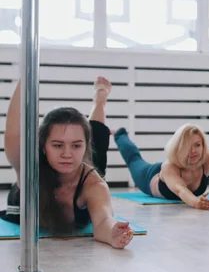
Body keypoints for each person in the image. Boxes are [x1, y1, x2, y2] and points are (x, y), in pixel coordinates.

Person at [0, 76, 134, 249]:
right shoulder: (29, 170)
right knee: (95, 141)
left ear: (85, 146)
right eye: (57, 145)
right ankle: (99, 98)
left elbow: (103, 221)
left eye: (76, 146)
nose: (67, 154)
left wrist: (112, 233)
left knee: (98, 138)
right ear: (43, 146)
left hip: (83, 172)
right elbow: (14, 134)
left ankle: (100, 98)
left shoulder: (93, 184)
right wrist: (27, 74)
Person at [112, 97, 209, 210]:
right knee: (134, 159)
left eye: (197, 145)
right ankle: (119, 134)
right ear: (180, 147)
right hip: (149, 176)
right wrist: (196, 202)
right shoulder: (169, 166)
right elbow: (180, 190)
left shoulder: (208, 160)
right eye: (188, 146)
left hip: (174, 169)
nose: (194, 151)